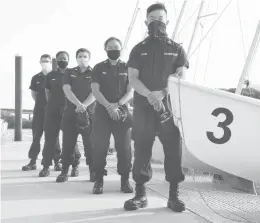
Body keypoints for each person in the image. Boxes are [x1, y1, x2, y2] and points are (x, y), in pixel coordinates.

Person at [123, 3, 189, 212]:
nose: (156, 22)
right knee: (142, 151)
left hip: (169, 109)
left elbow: (180, 76)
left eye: (160, 18)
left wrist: (161, 94)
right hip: (143, 109)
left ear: (167, 21)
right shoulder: (138, 49)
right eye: (152, 19)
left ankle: (173, 196)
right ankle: (140, 195)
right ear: (146, 22)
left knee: (173, 151)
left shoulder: (177, 49)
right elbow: (133, 79)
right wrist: (151, 96)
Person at [91, 37, 133, 194]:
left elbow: (130, 91)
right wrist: (109, 107)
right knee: (100, 147)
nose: (113, 49)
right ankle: (99, 181)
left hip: (122, 112)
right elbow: (95, 91)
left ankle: (125, 181)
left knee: (124, 148)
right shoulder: (98, 67)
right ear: (105, 49)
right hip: (102, 112)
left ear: (121, 49)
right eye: (110, 47)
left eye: (116, 46)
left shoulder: (128, 67)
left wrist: (118, 105)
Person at [56, 48, 96, 183]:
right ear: (76, 58)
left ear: (89, 58)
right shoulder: (69, 72)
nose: (82, 58)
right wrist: (79, 104)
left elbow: (95, 92)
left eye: (85, 56)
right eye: (80, 56)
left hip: (89, 115)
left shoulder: (94, 73)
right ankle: (64, 171)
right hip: (70, 114)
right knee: (68, 145)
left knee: (90, 145)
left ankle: (93, 171)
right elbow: (67, 90)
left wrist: (84, 106)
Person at [39, 51, 81, 177]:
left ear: (68, 60)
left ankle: (75, 165)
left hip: (69, 110)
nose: (62, 60)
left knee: (70, 139)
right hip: (53, 110)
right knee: (50, 139)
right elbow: (47, 91)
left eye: (64, 58)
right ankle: (46, 166)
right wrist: (50, 105)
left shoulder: (73, 73)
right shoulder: (51, 75)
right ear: (56, 61)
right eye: (60, 59)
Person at [22, 54, 61, 171]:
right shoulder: (36, 78)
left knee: (54, 138)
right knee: (36, 136)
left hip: (53, 111)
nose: (45, 62)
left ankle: (56, 162)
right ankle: (33, 161)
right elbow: (34, 94)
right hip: (39, 111)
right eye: (43, 61)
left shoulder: (55, 76)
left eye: (47, 61)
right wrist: (41, 104)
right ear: (40, 62)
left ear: (51, 62)